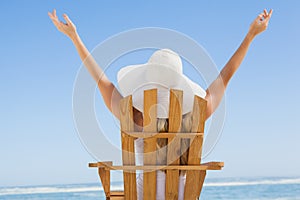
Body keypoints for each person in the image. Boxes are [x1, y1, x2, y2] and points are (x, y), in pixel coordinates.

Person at [48, 8, 273, 200]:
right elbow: (225, 77)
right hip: (185, 194)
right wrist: (251, 35)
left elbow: (102, 81)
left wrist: (75, 38)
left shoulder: (133, 115)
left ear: (146, 81)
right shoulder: (196, 113)